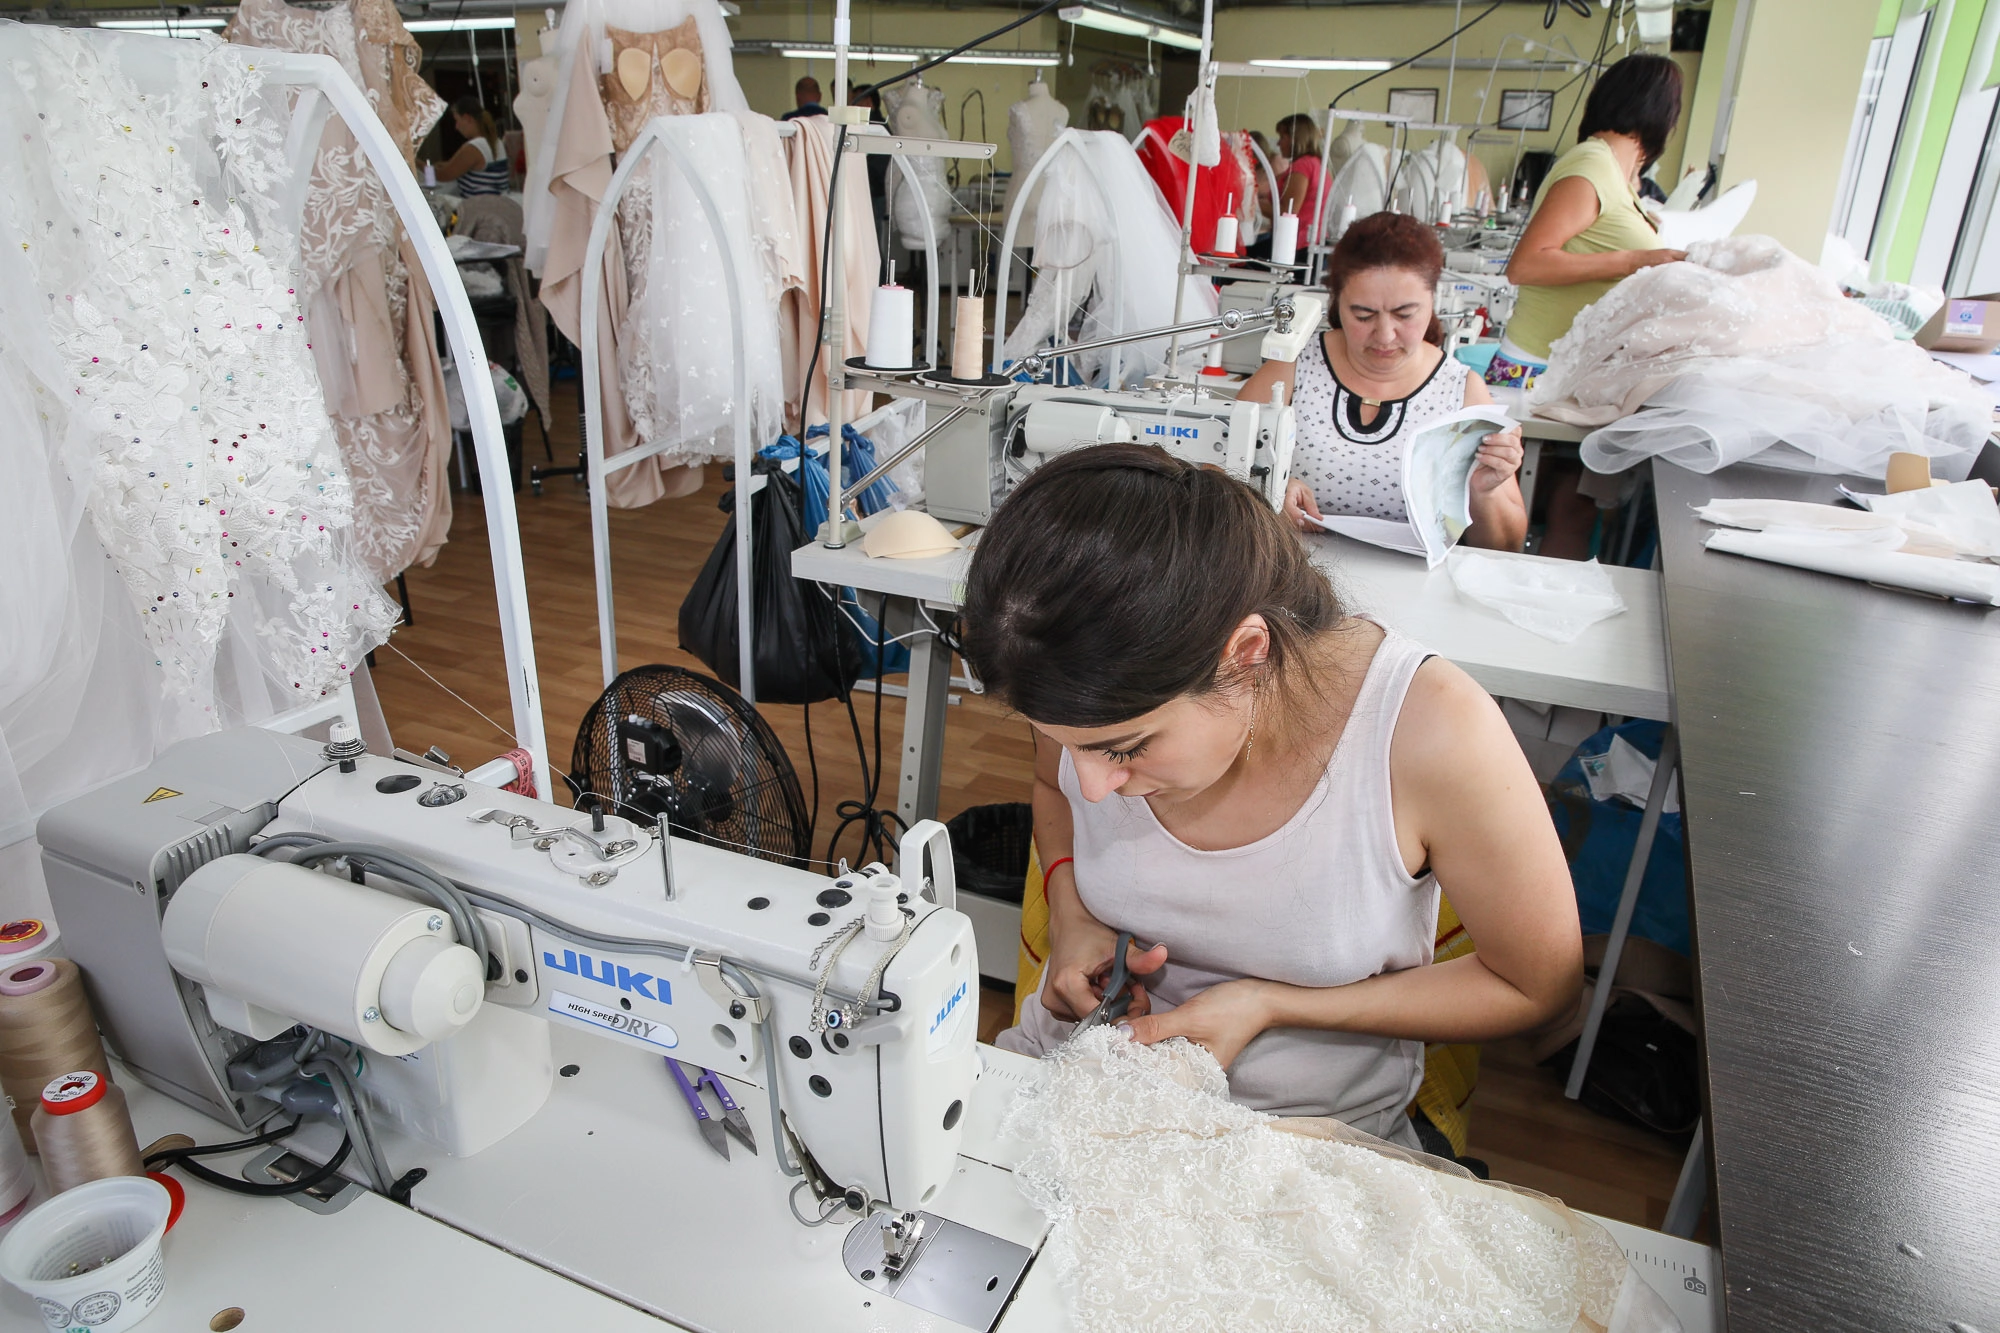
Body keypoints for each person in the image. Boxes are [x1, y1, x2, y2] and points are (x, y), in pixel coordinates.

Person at [964, 445, 1583, 1153]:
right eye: (1063, 742)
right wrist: (1071, 914)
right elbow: (1054, 788)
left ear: (1246, 653)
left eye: (1126, 749)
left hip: (1300, 1142)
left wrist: (1269, 1003)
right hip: (1071, 1087)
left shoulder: (1426, 730)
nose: (1096, 785)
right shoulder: (1078, 685)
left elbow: (1537, 983)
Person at [1494, 53, 1686, 558]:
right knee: (1552, 514)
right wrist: (1634, 259)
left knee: (1572, 512)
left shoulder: (1618, 177)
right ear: (1663, 113)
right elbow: (1528, 264)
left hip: (1573, 376)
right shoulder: (1592, 165)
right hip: (1538, 374)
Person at [1240, 211, 1526, 551]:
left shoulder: (1460, 392)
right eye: (1363, 315)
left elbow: (1507, 547)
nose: (1385, 334)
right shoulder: (1293, 368)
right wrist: (1265, 494)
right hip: (1295, 581)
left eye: (1405, 315)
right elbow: (1217, 475)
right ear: (1337, 303)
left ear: (1434, 302)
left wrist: (1485, 491)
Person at [426, 96, 510, 195]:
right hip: (498, 201)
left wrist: (417, 163)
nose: (456, 127)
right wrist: (443, 165)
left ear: (467, 118)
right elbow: (458, 166)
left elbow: (443, 175)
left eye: (457, 121)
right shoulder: (496, 141)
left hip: (480, 205)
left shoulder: (474, 147)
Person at [1274, 112, 1323, 234]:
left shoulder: (1303, 166)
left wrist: (1255, 204)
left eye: (1282, 138)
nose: (1278, 143)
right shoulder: (1314, 163)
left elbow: (1288, 211)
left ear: (1294, 139)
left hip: (1297, 241)